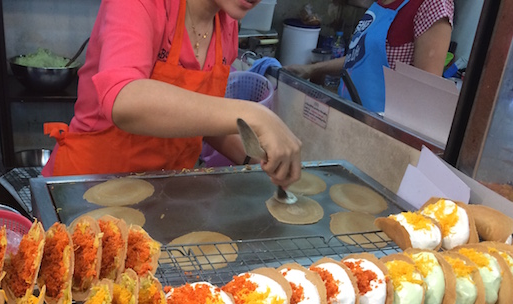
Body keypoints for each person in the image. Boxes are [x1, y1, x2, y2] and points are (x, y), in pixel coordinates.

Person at [42, 0, 301, 188]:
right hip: (92, 188)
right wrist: (254, 115)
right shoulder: (142, 4)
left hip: (165, 194)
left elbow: (203, 120)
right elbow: (124, 99)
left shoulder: (226, 25)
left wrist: (257, 158)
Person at [285, 0, 454, 113]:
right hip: (349, 115)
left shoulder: (432, 4)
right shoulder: (381, 3)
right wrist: (311, 70)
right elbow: (361, 58)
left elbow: (426, 92)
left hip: (382, 133)